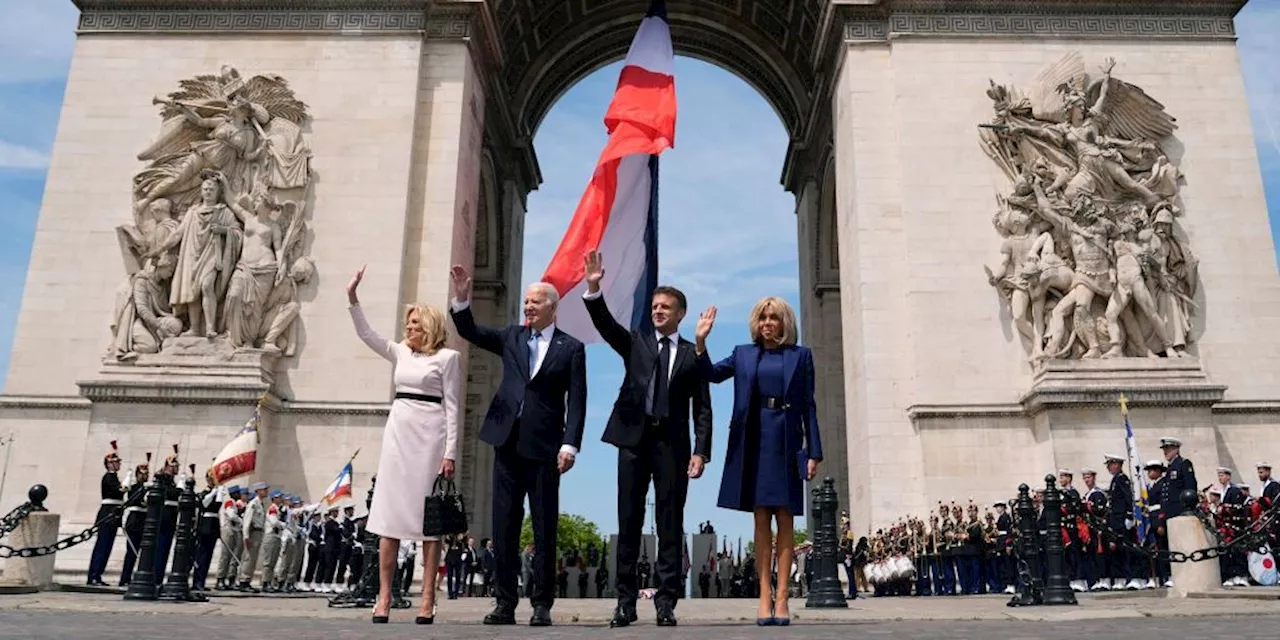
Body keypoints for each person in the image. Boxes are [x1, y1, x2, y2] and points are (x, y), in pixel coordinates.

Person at [448, 264, 587, 627]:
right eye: (525, 301)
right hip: (505, 441)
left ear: (552, 308)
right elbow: (470, 331)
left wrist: (570, 445)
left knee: (544, 527)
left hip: (545, 449)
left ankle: (542, 604)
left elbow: (578, 401)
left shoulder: (571, 348)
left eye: (535, 302)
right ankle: (504, 603)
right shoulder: (511, 337)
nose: (527, 307)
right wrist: (462, 297)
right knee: (505, 525)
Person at [580, 250, 712, 628]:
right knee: (629, 520)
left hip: (672, 446)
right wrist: (594, 288)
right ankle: (625, 601)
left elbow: (703, 407)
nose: (657, 311)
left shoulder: (692, 354)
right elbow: (606, 326)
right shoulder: (636, 343)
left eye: (665, 307)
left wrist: (701, 451)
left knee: (670, 522)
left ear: (680, 314)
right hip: (633, 442)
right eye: (655, 306)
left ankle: (666, 602)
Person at [695, 297, 823, 626]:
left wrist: (814, 452)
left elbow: (809, 405)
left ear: (784, 323)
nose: (767, 323)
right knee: (761, 519)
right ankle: (764, 596)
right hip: (753, 439)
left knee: (786, 519)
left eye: (774, 318)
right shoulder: (743, 354)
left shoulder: (801, 356)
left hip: (787, 439)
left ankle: (783, 599)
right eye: (763, 318)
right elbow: (709, 373)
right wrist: (701, 341)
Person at [347, 265, 460, 624]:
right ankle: (383, 596)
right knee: (389, 519)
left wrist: (450, 452)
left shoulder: (448, 358)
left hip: (430, 436)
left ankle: (427, 597)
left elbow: (454, 407)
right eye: (407, 324)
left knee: (429, 522)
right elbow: (366, 334)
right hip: (398, 432)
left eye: (414, 324)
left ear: (429, 326)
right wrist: (353, 297)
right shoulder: (399, 352)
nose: (408, 329)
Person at [87, 441, 124, 586]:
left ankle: (98, 574)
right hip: (108, 514)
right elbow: (118, 491)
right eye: (116, 462)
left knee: (107, 547)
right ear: (109, 464)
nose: (118, 465)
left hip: (113, 515)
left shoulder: (114, 477)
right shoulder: (108, 477)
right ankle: (94, 575)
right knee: (102, 546)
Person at [118, 457, 151, 587]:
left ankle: (134, 576)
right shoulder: (134, 488)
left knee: (141, 552)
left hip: (144, 521)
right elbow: (133, 500)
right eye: (142, 474)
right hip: (134, 520)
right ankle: (125, 578)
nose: (144, 476)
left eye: (146, 474)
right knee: (131, 552)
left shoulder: (148, 488)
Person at [237, 482, 269, 592]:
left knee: (254, 558)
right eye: (264, 489)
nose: (266, 491)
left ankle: (248, 580)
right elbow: (247, 520)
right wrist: (246, 536)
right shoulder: (253, 504)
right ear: (258, 491)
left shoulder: (260, 504)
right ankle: (244, 581)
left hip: (258, 532)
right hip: (252, 532)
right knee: (249, 558)